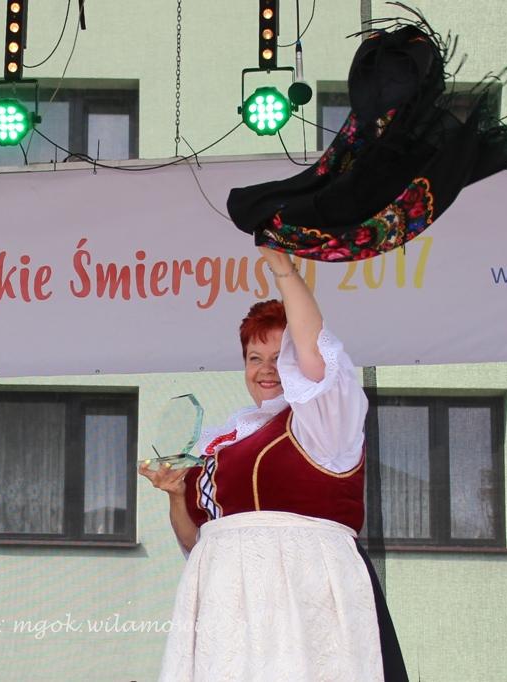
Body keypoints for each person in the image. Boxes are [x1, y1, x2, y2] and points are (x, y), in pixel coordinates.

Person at [140, 246, 406, 682]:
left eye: (281, 358)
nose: (267, 370)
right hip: (227, 611)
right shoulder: (223, 439)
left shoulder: (323, 423)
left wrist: (283, 269)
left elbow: (317, 356)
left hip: (302, 599)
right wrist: (176, 495)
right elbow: (197, 542)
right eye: (254, 358)